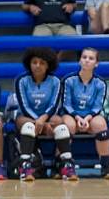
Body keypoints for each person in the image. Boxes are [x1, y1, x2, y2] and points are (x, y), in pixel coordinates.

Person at [14, 46, 68, 182]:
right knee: (26, 125)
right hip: (27, 116)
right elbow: (23, 105)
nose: (37, 66)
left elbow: (54, 105)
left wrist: (43, 119)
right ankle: (25, 167)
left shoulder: (55, 81)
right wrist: (37, 121)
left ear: (48, 65)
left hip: (47, 117)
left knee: (61, 125)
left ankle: (65, 164)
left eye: (42, 63)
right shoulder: (21, 80)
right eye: (34, 62)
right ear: (29, 63)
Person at [60, 48, 109, 180]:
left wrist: (87, 118)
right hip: (71, 115)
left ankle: (105, 166)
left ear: (96, 63)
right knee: (67, 125)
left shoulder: (100, 83)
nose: (87, 60)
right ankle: (63, 165)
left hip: (90, 116)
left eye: (91, 58)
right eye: (84, 57)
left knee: (101, 124)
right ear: (79, 60)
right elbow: (66, 104)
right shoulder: (69, 80)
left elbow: (98, 106)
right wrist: (77, 118)